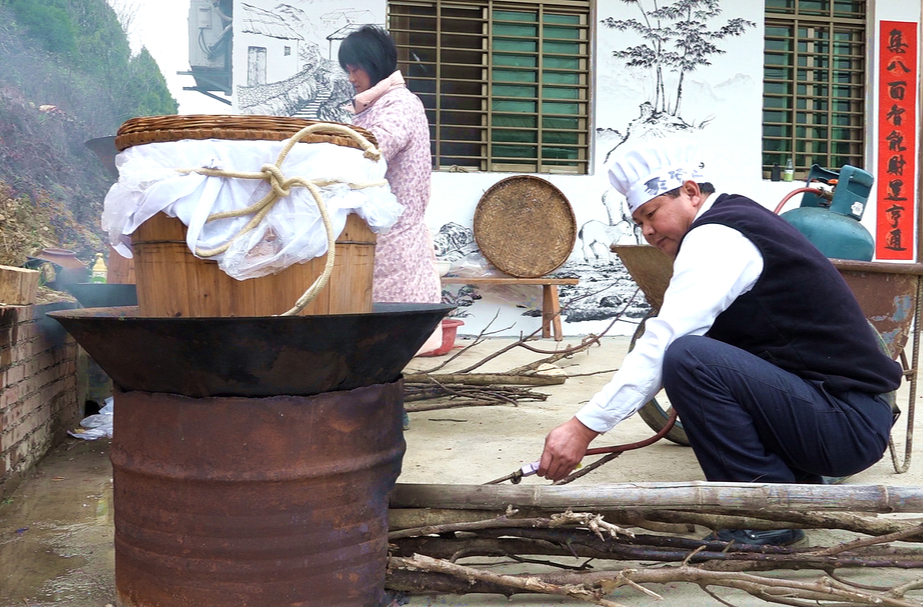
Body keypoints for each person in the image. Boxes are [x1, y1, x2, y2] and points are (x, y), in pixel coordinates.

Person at [538, 137, 902, 546]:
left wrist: (584, 428)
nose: (647, 231)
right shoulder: (734, 217)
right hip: (839, 414)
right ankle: (786, 487)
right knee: (702, 356)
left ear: (691, 192)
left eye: (652, 213)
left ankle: (766, 519)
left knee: (687, 358)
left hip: (846, 422)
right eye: (638, 222)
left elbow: (666, 338)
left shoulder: (717, 236)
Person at [339, 25, 443, 426]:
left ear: (372, 64)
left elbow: (374, 145)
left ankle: (384, 418)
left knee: (380, 335)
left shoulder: (400, 103)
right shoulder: (378, 103)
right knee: (373, 337)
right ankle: (379, 413)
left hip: (393, 241)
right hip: (382, 237)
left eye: (354, 68)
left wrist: (326, 144)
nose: (351, 78)